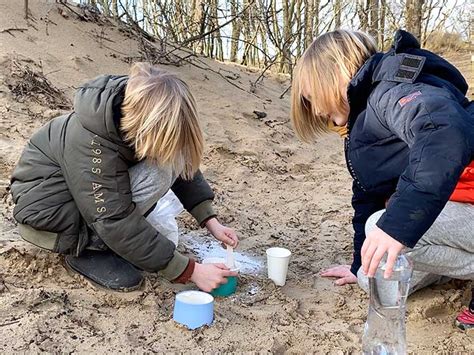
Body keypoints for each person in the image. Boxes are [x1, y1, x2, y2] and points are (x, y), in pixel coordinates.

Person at [290, 29, 474, 328]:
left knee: (384, 226)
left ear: (333, 75)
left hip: (468, 201)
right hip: (454, 210)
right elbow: (368, 193)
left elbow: (443, 131)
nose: (316, 110)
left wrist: (397, 227)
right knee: (370, 275)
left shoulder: (392, 92)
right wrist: (356, 266)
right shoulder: (363, 119)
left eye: (311, 97)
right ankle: (453, 267)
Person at [10, 62, 238, 292]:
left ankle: (107, 242)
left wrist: (210, 220)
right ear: (148, 126)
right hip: (53, 221)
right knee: (158, 172)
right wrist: (191, 271)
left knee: (171, 160)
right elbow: (113, 218)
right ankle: (89, 250)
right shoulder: (91, 143)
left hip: (86, 203)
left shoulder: (131, 111)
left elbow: (178, 160)